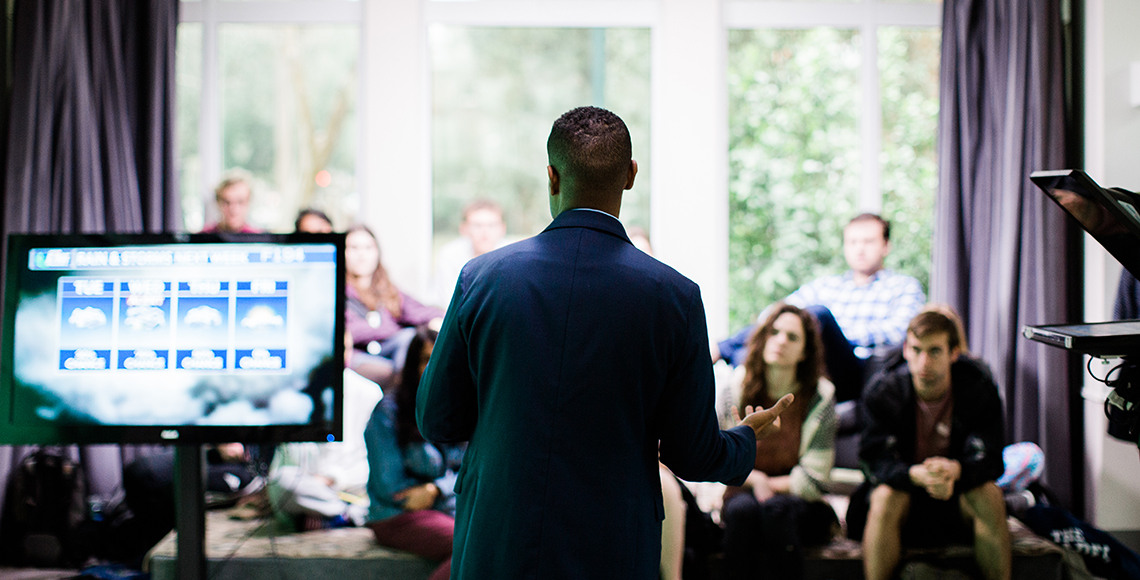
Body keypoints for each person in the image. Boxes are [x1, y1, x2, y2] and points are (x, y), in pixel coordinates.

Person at [416, 106, 793, 579]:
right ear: (631, 175)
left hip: (499, 540)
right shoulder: (675, 297)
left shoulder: (483, 278)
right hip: (611, 546)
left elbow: (437, 419)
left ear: (551, 176)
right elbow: (692, 454)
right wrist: (743, 439)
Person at [850, 307, 1010, 580]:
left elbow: (993, 459)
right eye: (916, 350)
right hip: (904, 498)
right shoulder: (883, 390)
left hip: (956, 496)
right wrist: (915, 474)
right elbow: (872, 461)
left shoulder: (978, 387)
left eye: (934, 351)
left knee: (990, 493)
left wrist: (956, 470)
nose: (923, 362)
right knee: (886, 494)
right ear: (905, 350)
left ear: (954, 353)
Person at [717, 213, 925, 402]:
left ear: (885, 246)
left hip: (855, 371)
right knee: (758, 341)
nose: (859, 249)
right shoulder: (828, 285)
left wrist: (837, 331)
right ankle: (728, 350)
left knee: (817, 315)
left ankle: (720, 349)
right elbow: (776, 313)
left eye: (868, 241)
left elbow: (900, 332)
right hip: (811, 363)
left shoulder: (902, 286)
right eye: (852, 242)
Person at [719, 303, 839, 580]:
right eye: (774, 332)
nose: (781, 341)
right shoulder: (733, 388)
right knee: (741, 512)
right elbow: (722, 459)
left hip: (798, 503)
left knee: (776, 510)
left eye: (792, 337)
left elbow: (815, 479)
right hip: (744, 495)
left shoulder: (821, 395)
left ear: (805, 352)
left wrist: (766, 485)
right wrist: (756, 480)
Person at [364, 326, 462, 580]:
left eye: (438, 358)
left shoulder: (455, 409)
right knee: (470, 548)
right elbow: (390, 488)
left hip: (444, 509)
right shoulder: (388, 412)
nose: (433, 367)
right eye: (425, 360)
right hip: (396, 516)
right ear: (412, 366)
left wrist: (434, 490)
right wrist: (444, 491)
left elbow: (470, 472)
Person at [267, 332, 383, 531]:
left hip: (351, 484)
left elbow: (373, 459)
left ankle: (333, 515)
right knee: (283, 484)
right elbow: (283, 464)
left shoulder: (369, 393)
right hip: (308, 486)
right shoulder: (296, 390)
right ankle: (343, 515)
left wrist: (333, 478)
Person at [344, 224, 443, 389]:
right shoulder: (335, 289)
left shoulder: (386, 289)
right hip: (356, 358)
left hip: (391, 353)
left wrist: (435, 320)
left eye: (368, 248)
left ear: (377, 252)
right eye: (353, 248)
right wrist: (387, 328)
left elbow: (419, 311)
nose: (361, 255)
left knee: (410, 340)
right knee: (394, 373)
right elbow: (350, 332)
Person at [432, 199, 507, 306]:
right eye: (477, 225)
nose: (484, 231)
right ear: (463, 228)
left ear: (503, 228)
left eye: (492, 225)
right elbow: (448, 303)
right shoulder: (449, 255)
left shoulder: (514, 256)